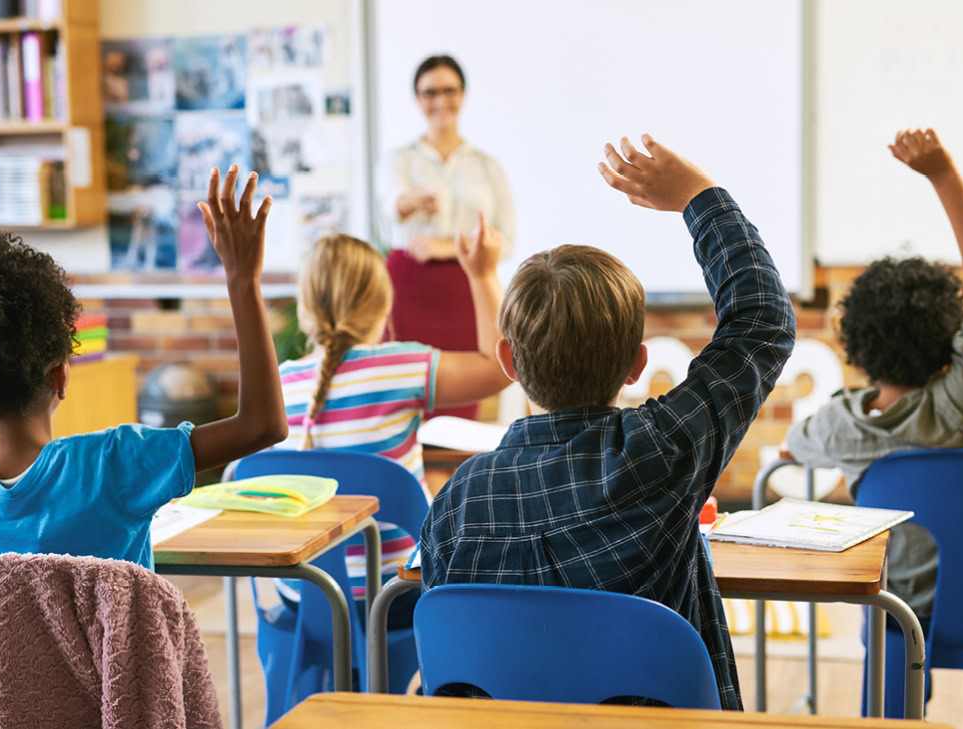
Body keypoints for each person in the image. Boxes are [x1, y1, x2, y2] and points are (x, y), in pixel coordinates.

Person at [420, 134, 797, 709]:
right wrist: (699, 196)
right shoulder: (661, 454)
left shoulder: (457, 503)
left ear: (507, 364)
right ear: (636, 366)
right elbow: (762, 320)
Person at [0, 167, 289, 571]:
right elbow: (264, 424)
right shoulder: (116, 466)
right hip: (116, 639)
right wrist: (242, 280)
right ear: (59, 376)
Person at [786, 130, 963, 690]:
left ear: (855, 343)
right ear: (952, 338)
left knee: (881, 619)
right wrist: (942, 173)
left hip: (901, 614)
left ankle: (898, 705)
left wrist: (797, 446)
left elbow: (799, 443)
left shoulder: (840, 424)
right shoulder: (962, 402)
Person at [272, 217, 511, 624]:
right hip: (393, 596)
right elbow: (502, 366)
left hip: (303, 597)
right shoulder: (400, 367)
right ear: (384, 305)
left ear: (306, 308)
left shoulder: (280, 384)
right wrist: (483, 274)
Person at [377, 54, 515, 420]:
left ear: (463, 94)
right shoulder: (399, 159)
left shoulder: (488, 166)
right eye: (430, 92)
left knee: (465, 395)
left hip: (467, 288)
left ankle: (457, 476)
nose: (441, 101)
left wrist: (445, 246)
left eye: (449, 91)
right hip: (408, 288)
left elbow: (506, 238)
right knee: (403, 393)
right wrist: (410, 201)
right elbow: (390, 207)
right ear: (416, 99)